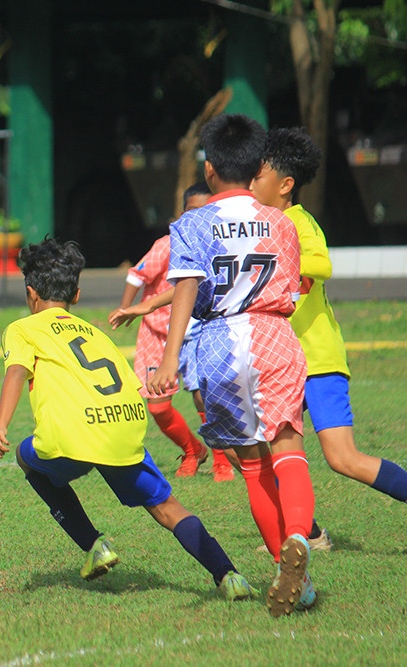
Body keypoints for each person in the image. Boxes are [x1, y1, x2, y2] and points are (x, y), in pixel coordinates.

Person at [0, 237, 255, 602]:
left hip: (72, 436)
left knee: (25, 457)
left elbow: (16, 371)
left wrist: (0, 426)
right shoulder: (95, 333)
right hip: (123, 430)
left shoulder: (22, 329)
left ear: (31, 294)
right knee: (168, 508)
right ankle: (229, 575)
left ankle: (94, 545)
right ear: (76, 295)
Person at [147, 114, 316, 617]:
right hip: (272, 333)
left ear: (209, 168)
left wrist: (170, 358)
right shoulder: (282, 223)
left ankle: (291, 575)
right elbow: (291, 294)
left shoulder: (191, 223)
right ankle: (299, 541)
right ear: (259, 165)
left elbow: (186, 286)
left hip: (219, 344)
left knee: (252, 465)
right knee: (288, 450)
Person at [251, 127, 407, 520]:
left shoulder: (298, 222)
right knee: (250, 453)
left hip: (317, 361)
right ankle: (307, 534)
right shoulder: (257, 227)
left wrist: (279, 263)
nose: (250, 182)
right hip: (279, 364)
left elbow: (322, 264)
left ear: (285, 185)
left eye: (258, 175)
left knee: (342, 458)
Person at [108, 182, 236, 481]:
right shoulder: (168, 244)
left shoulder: (221, 245)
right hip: (157, 333)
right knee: (158, 407)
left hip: (198, 330)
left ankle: (222, 460)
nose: (199, 217)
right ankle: (193, 450)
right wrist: (127, 308)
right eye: (193, 210)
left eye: (207, 210)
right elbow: (137, 275)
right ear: (181, 214)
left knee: (204, 396)